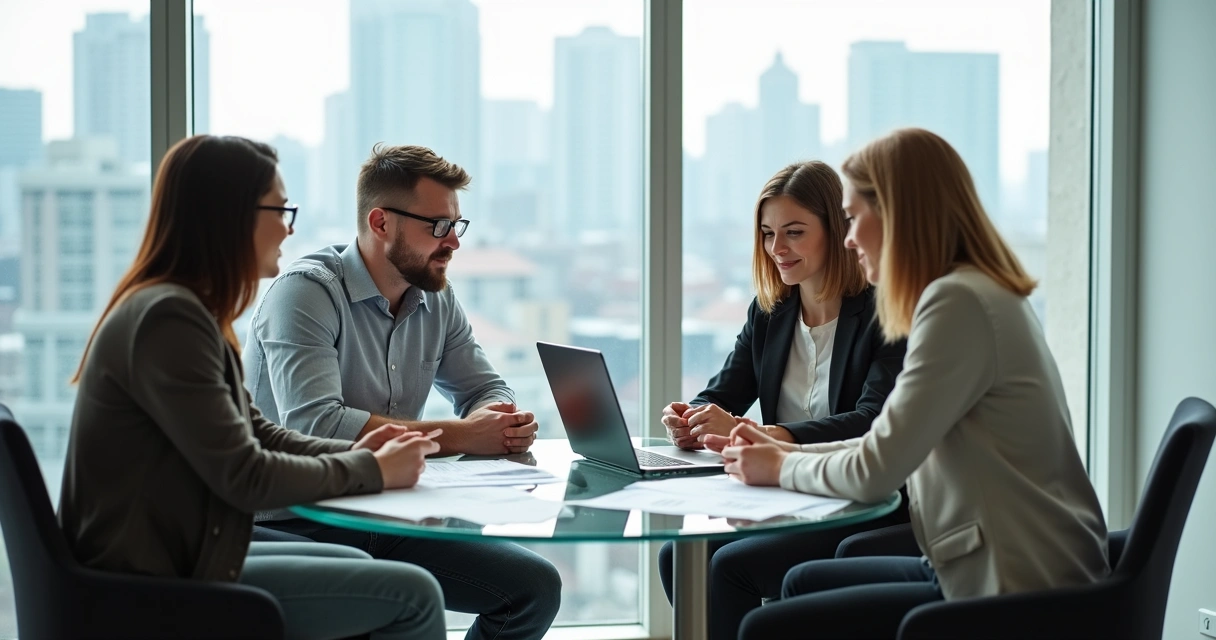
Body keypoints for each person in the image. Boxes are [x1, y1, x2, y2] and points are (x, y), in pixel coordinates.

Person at [723, 128, 1110, 640]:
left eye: (856, 216)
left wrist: (782, 466)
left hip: (1015, 579)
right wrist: (782, 450)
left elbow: (875, 469)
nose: (850, 237)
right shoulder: (971, 292)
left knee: (772, 626)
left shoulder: (958, 306)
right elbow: (882, 442)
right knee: (801, 583)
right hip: (980, 561)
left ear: (900, 214)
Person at [57, 134, 447, 640]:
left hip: (181, 552)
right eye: (281, 210)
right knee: (415, 596)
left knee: (355, 558)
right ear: (233, 215)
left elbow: (257, 431)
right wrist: (368, 468)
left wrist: (358, 449)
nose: (288, 229)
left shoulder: (182, 309)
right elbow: (245, 475)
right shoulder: (168, 320)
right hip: (146, 581)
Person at [244, 143, 561, 640]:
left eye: (457, 225)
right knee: (400, 599)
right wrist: (464, 436)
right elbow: (317, 424)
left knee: (534, 586)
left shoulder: (436, 295)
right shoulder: (306, 292)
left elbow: (486, 386)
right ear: (380, 223)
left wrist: (496, 420)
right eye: (437, 226)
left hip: (390, 512)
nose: (453, 242)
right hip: (298, 519)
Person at [657, 161, 907, 640]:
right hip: (785, 495)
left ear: (837, 232)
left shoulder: (883, 310)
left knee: (730, 564)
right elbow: (723, 392)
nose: (778, 249)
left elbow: (872, 420)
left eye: (794, 232)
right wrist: (691, 416)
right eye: (768, 233)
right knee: (677, 554)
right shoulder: (772, 311)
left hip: (859, 499)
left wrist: (775, 436)